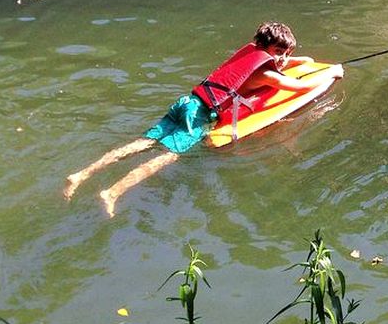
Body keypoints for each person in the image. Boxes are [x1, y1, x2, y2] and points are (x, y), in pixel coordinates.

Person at [63, 21, 341, 216]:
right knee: (165, 157)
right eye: (280, 53)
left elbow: (279, 63)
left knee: (144, 142)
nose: (283, 59)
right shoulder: (266, 74)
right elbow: (300, 87)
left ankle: (81, 174)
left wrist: (298, 59)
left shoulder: (252, 53)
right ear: (266, 49)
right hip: (202, 118)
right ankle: (112, 192)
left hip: (187, 103)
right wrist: (333, 72)